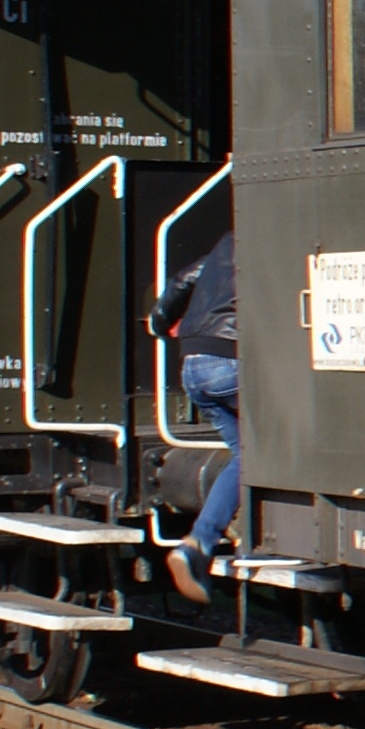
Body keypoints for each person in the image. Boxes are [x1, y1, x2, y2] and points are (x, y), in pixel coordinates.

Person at [151, 227, 241, 603]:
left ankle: (197, 545)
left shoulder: (229, 240)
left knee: (247, 455)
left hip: (193, 363)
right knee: (264, 451)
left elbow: (184, 279)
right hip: (231, 360)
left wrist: (159, 321)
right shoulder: (275, 234)